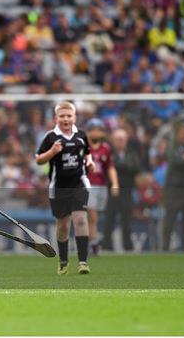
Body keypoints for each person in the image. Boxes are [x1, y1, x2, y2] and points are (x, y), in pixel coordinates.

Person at [36, 102, 95, 275]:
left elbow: (88, 153)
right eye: (62, 116)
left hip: (79, 184)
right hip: (59, 187)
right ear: (56, 118)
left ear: (74, 117)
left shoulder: (81, 135)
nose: (66, 119)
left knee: (80, 220)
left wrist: (90, 163)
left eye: (69, 115)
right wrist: (52, 152)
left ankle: (83, 262)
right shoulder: (50, 138)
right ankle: (63, 260)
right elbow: (39, 160)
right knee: (63, 225)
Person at [101, 128, 139, 252]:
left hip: (127, 190)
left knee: (126, 219)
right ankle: (107, 245)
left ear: (126, 141)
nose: (120, 142)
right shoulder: (108, 152)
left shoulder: (132, 153)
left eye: (122, 140)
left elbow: (135, 168)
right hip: (112, 190)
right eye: (117, 140)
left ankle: (128, 245)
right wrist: (122, 167)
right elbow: (106, 168)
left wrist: (118, 166)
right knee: (109, 218)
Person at [85, 119, 119, 255]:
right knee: (92, 214)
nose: (96, 133)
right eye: (93, 130)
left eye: (98, 130)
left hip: (101, 185)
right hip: (87, 184)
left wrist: (115, 183)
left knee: (96, 215)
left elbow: (110, 167)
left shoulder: (105, 148)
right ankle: (94, 241)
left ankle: (91, 240)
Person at [162, 122, 184, 251]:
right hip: (173, 188)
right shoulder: (172, 146)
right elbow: (175, 160)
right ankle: (165, 248)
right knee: (170, 219)